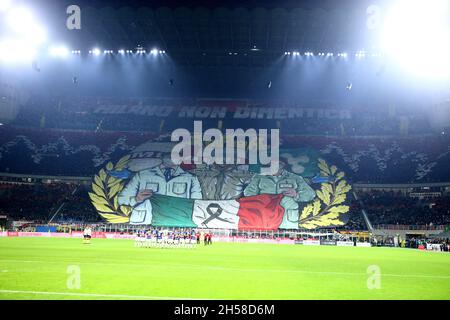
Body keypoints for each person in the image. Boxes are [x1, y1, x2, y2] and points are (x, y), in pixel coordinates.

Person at [118, 158, 203, 225]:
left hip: (176, 220)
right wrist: (137, 199)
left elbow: (197, 203)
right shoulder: (142, 175)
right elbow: (121, 199)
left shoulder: (191, 178)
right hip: (146, 220)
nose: (170, 157)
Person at [243, 159, 315, 229]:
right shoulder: (259, 177)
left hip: (287, 218)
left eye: (278, 163)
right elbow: (248, 193)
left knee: (288, 238)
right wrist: (262, 199)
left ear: (283, 165)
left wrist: (296, 195)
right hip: (266, 215)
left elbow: (311, 194)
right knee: (264, 237)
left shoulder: (295, 178)